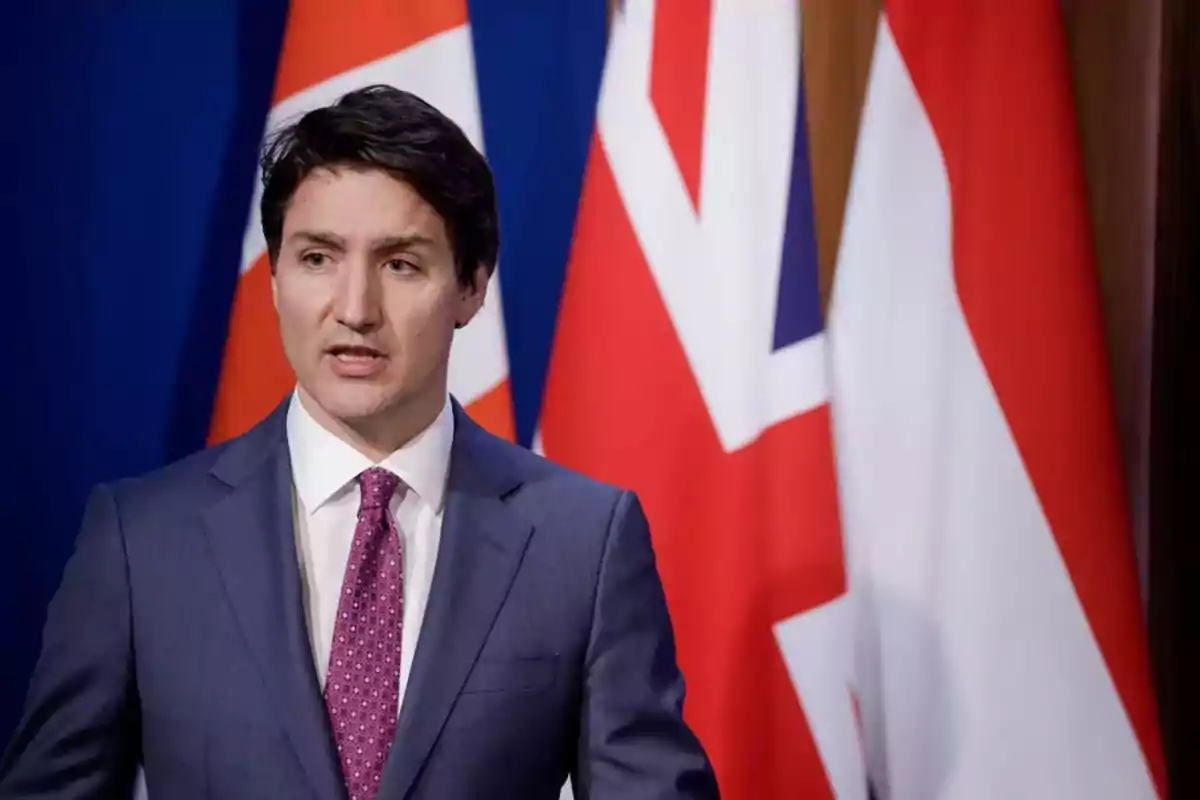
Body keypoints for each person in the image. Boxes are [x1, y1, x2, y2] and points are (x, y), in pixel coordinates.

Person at [0, 84, 718, 800]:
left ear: (470, 285)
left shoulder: (584, 541)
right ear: (275, 275)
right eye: (318, 259)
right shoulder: (140, 541)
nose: (354, 309)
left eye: (400, 264)